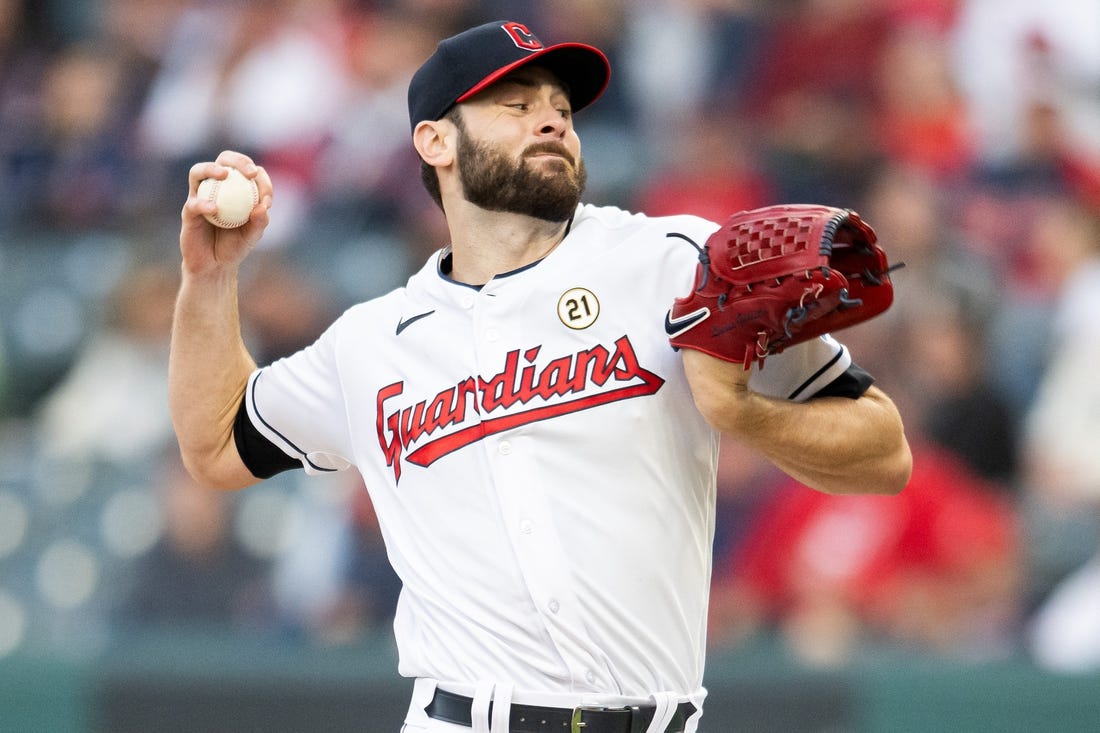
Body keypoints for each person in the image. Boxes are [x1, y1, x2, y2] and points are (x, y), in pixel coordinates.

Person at [169, 19, 911, 733]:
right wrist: (210, 281)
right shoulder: (371, 343)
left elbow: (884, 453)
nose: (552, 120)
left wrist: (745, 413)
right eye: (515, 105)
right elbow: (216, 444)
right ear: (435, 141)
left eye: (561, 107)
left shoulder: (675, 263)